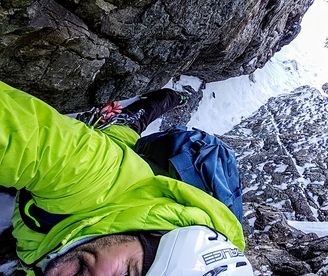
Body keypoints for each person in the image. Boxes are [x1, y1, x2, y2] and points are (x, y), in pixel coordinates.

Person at [0, 81, 253, 275]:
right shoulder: (92, 171)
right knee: (133, 120)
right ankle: (174, 96)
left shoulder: (100, 255)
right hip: (120, 151)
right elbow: (23, 138)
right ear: (152, 232)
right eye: (129, 273)